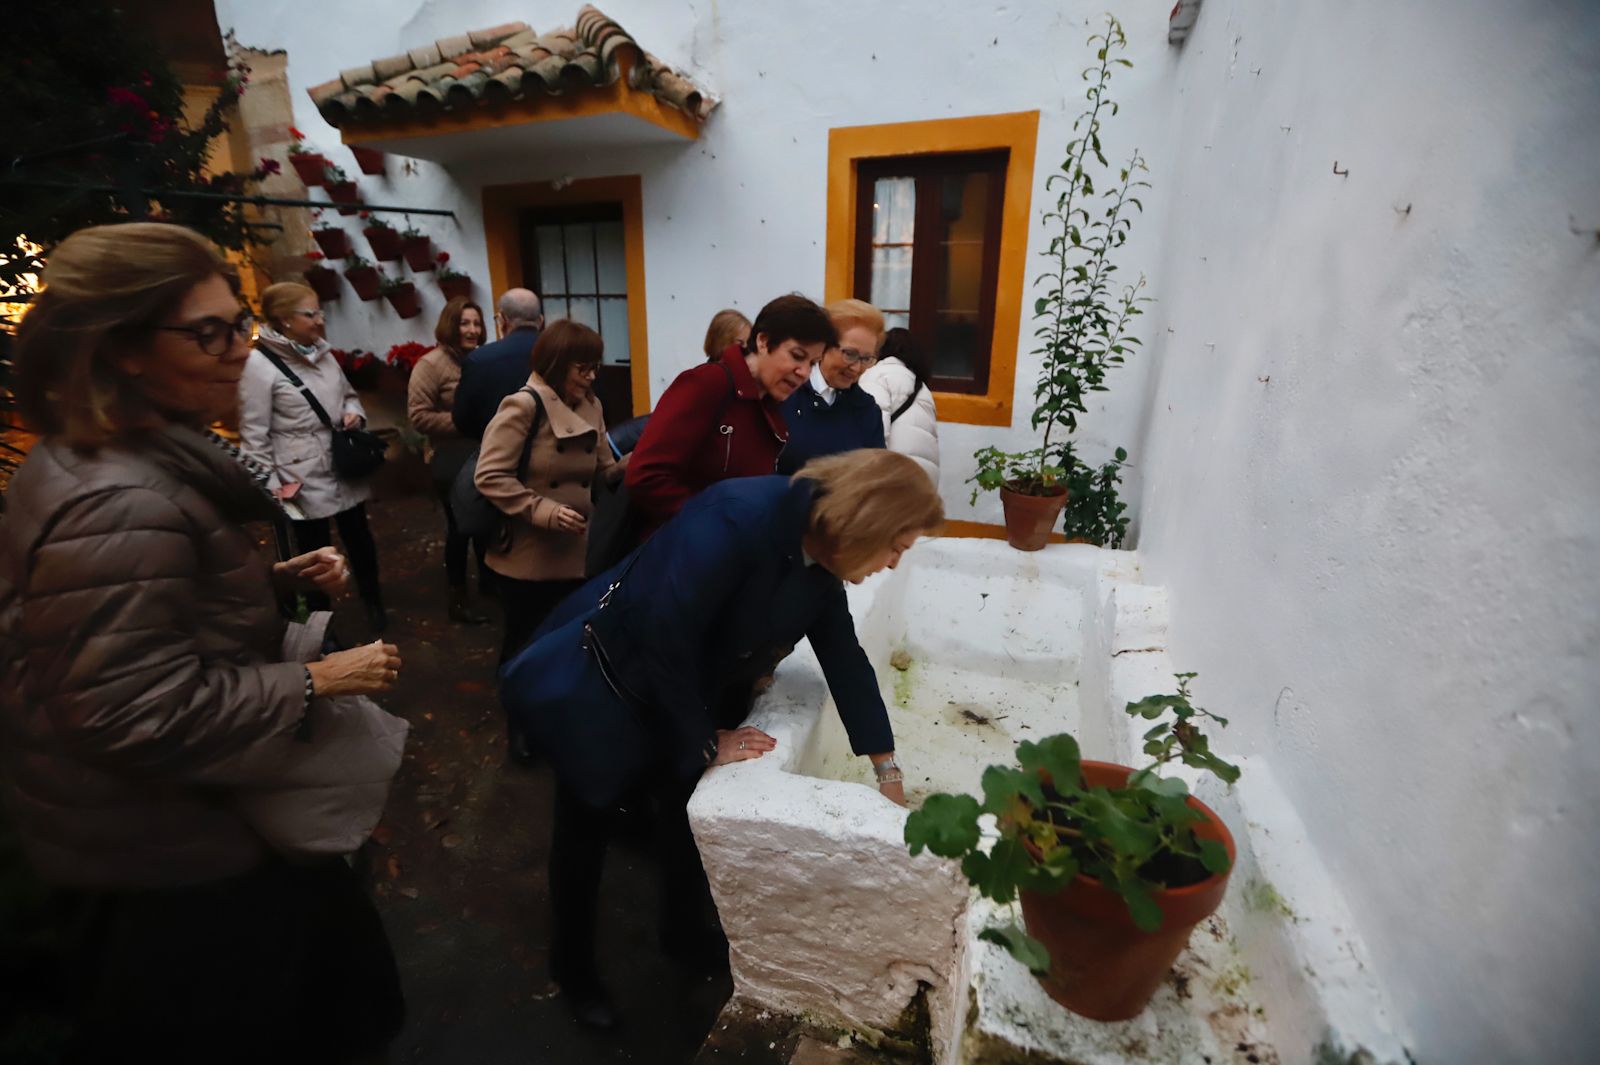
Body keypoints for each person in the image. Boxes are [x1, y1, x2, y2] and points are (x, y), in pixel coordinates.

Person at [0, 222, 406, 1062]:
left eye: (242, 323)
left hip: (174, 836)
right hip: (177, 866)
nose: (238, 350)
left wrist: (271, 583)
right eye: (210, 331)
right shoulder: (119, 496)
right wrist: (315, 680)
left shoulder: (118, 458)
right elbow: (124, 710)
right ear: (124, 350)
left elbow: (130, 614)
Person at [503, 448, 944, 1029]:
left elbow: (844, 654)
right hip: (615, 685)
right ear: (866, 523)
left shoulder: (823, 557)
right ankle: (574, 968)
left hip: (690, 690)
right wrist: (706, 739)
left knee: (684, 817)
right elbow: (664, 632)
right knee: (586, 828)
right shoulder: (738, 517)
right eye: (897, 545)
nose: (892, 563)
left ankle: (683, 935)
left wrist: (887, 769)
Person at [240, 281, 388, 633]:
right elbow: (254, 434)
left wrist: (354, 414)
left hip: (342, 463)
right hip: (299, 478)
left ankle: (373, 600)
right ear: (284, 319)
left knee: (360, 539)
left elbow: (349, 396)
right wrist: (272, 487)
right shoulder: (258, 366)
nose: (320, 320)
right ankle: (322, 625)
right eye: (311, 313)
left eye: (320, 312)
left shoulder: (323, 354)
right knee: (314, 553)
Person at [624, 293, 835, 540]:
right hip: (679, 555)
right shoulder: (707, 384)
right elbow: (645, 476)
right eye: (797, 356)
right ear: (763, 342)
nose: (804, 373)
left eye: (813, 363)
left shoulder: (770, 401)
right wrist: (716, 523)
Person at [475, 319, 620, 665]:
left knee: (567, 643)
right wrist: (546, 512)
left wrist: (640, 460)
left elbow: (602, 472)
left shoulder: (592, 405)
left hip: (578, 552)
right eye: (582, 368)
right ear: (556, 364)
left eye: (595, 368)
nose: (591, 377)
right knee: (525, 645)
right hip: (530, 556)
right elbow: (490, 475)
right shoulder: (524, 405)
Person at [409, 296, 492, 624]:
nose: (472, 330)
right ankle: (458, 597)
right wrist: (463, 421)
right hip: (449, 458)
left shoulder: (484, 360)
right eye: (464, 323)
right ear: (450, 325)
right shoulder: (431, 365)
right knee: (460, 528)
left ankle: (489, 584)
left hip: (484, 455)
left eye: (476, 323)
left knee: (487, 522)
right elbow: (418, 416)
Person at [775, 298, 887, 474]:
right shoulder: (785, 393)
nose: (857, 368)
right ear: (824, 347)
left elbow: (873, 479)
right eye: (850, 354)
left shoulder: (866, 409)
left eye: (866, 359)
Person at [452, 287, 544, 440]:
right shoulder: (561, 353)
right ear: (540, 321)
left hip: (497, 447)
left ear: (502, 321)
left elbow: (462, 419)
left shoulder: (479, 359)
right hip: (554, 451)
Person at [860, 326, 941, 485]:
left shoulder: (877, 375)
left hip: (892, 476)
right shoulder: (922, 388)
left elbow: (875, 430)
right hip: (923, 478)